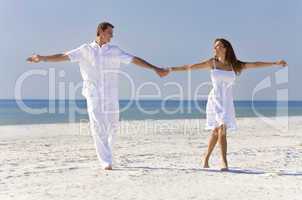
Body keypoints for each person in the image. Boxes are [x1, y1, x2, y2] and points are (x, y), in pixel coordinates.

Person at [27, 22, 169, 170]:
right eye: (110, 33)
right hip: (92, 93)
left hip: (111, 94)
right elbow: (63, 56)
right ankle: (105, 161)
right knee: (97, 125)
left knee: (113, 126)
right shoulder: (85, 50)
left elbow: (134, 59)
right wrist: (42, 58)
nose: (112, 36)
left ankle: (109, 155)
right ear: (101, 31)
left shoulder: (115, 51)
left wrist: (155, 68)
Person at [166, 38, 287, 171]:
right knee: (221, 129)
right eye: (215, 46)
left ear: (225, 48)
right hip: (215, 99)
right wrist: (170, 69)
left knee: (216, 132)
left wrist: (274, 63)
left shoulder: (235, 65)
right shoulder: (212, 63)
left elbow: (255, 64)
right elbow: (189, 67)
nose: (215, 48)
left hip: (227, 100)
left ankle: (206, 157)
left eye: (218, 46)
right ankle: (224, 162)